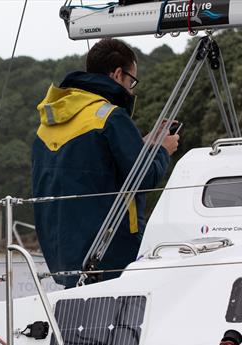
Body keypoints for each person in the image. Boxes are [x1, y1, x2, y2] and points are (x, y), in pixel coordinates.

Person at [32, 38, 179, 287]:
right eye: (131, 81)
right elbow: (143, 178)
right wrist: (161, 150)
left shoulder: (49, 123)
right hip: (110, 253)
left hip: (64, 255)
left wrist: (141, 144)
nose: (131, 90)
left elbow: (91, 168)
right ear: (118, 74)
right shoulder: (111, 117)